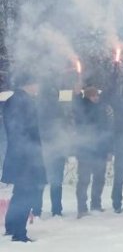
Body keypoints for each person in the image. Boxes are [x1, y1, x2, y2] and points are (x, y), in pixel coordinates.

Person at [2, 72, 47, 242]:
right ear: (29, 84)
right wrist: (30, 153)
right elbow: (19, 131)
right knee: (27, 193)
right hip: (25, 158)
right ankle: (19, 232)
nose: (38, 88)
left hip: (22, 156)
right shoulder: (21, 101)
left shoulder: (17, 100)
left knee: (20, 192)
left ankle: (12, 227)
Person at [73, 86, 113, 218]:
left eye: (97, 95)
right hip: (85, 150)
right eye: (93, 95)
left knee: (99, 179)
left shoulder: (102, 109)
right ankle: (82, 208)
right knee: (84, 179)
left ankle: (96, 204)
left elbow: (107, 130)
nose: (96, 97)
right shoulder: (82, 108)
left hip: (100, 150)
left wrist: (108, 150)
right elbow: (77, 109)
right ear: (88, 97)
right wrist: (77, 95)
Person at [37, 83, 69, 216]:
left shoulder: (39, 108)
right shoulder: (59, 109)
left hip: (46, 149)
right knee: (55, 182)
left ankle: (37, 209)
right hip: (53, 149)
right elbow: (65, 129)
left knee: (40, 182)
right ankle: (56, 210)